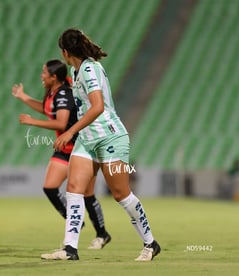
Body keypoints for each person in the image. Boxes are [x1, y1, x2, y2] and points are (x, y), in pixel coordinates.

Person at [41, 29, 161, 261]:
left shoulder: (89, 69)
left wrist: (70, 132)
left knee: (121, 194)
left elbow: (97, 106)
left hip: (110, 138)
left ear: (65, 52)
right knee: (74, 187)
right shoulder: (77, 72)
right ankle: (69, 249)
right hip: (87, 140)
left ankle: (151, 243)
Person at [12, 59, 111, 249]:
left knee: (88, 194)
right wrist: (23, 97)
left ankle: (102, 234)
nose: (41, 76)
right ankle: (76, 221)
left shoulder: (64, 93)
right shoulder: (53, 93)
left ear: (53, 77)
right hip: (64, 149)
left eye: (44, 73)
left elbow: (61, 123)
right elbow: (46, 109)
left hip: (80, 148)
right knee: (50, 187)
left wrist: (32, 122)